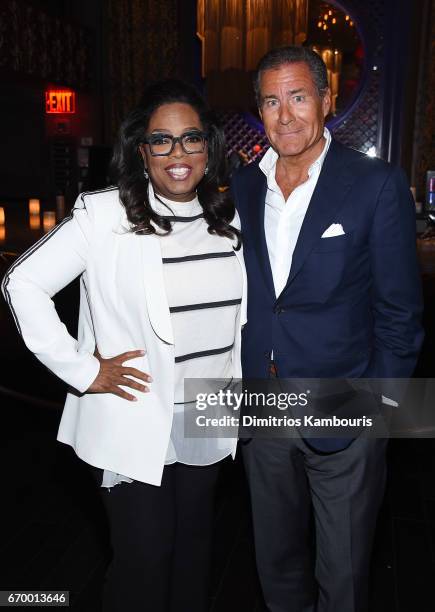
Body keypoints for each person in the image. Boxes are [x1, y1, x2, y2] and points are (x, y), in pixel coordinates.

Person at [2, 79, 247, 612]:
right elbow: (22, 283)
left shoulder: (227, 220)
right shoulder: (106, 217)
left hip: (206, 413)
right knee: (145, 561)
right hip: (137, 417)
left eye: (191, 138)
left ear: (210, 147)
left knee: (193, 555)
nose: (178, 154)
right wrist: (82, 370)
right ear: (142, 151)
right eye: (162, 140)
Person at [230, 46, 423, 612]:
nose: (285, 115)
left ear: (326, 100)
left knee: (342, 579)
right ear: (259, 111)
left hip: (344, 408)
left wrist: (377, 415)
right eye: (271, 101)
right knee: (277, 568)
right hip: (262, 410)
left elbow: (400, 317)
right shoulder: (243, 186)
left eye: (297, 96)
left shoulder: (376, 184)